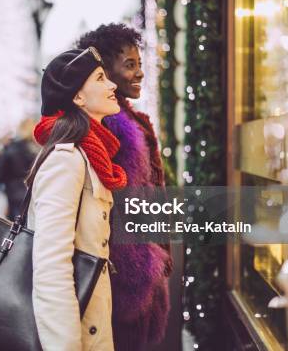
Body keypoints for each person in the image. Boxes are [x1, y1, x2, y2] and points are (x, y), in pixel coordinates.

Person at [77, 23, 173, 350]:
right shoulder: (107, 124)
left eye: (139, 64)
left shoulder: (134, 121)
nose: (139, 73)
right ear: (103, 72)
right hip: (124, 275)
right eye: (129, 65)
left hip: (143, 265)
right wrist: (141, 271)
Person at [26, 47, 127, 350]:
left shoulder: (92, 156)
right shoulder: (66, 160)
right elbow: (51, 267)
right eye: (100, 78)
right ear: (78, 98)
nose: (112, 86)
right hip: (77, 336)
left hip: (94, 324)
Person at [0, 119, 38, 220]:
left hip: (13, 192)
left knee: (15, 225)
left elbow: (0, 174)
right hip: (31, 191)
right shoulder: (37, 149)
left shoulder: (11, 148)